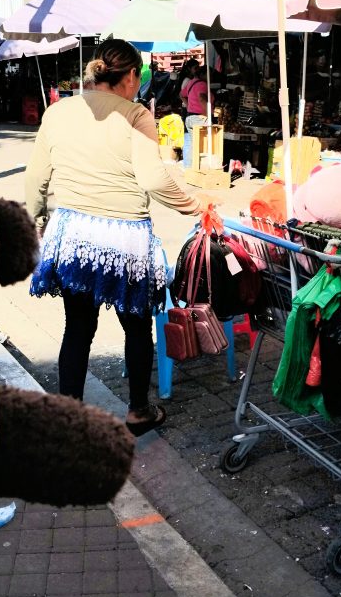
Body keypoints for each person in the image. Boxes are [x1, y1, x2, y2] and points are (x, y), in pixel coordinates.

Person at [25, 39, 208, 436]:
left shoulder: (57, 112)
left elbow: (36, 179)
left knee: (77, 328)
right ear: (129, 77)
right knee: (137, 327)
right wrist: (194, 206)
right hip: (123, 238)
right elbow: (154, 178)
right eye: (138, 78)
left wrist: (35, 221)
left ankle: (69, 417)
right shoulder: (136, 115)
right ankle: (139, 411)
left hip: (72, 232)